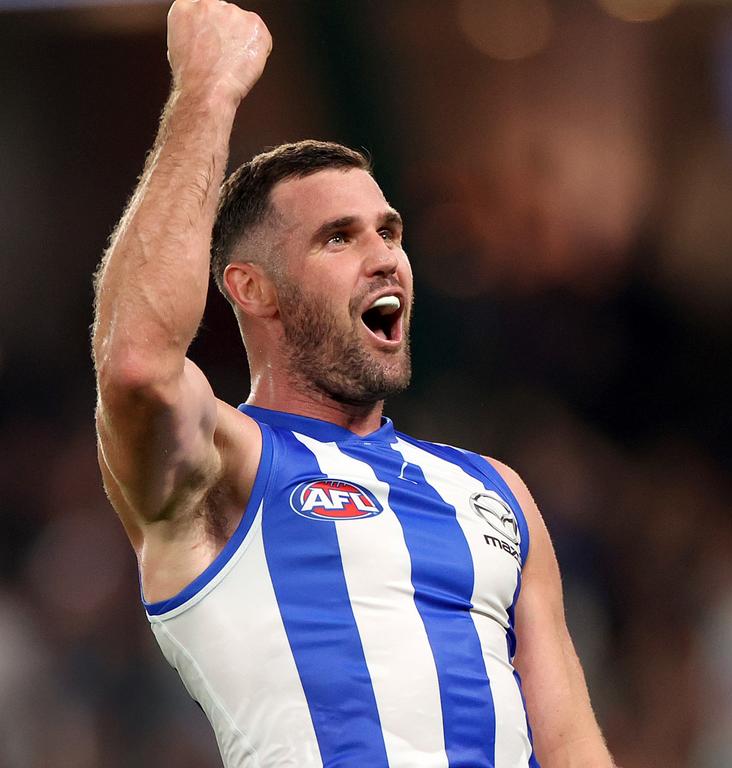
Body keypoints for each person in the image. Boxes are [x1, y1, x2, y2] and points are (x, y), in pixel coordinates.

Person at [92, 1, 615, 766]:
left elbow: (570, 744)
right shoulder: (224, 467)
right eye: (339, 236)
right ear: (252, 289)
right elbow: (136, 364)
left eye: (390, 232)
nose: (385, 257)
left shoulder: (496, 492)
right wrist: (207, 89)